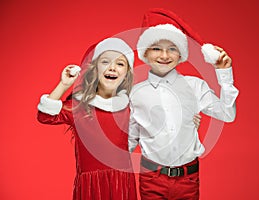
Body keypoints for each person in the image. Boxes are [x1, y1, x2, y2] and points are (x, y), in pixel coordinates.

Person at [128, 8, 239, 199]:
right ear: (145, 53)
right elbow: (128, 140)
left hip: (188, 179)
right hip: (151, 178)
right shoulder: (136, 93)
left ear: (181, 54)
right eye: (156, 48)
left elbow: (227, 114)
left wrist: (224, 75)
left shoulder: (195, 86)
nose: (164, 55)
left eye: (172, 48)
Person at [37, 37, 137, 200]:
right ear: (94, 69)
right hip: (91, 187)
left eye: (120, 64)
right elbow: (45, 116)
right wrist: (64, 84)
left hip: (123, 184)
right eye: (105, 62)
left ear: (126, 74)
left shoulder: (129, 106)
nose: (112, 67)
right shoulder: (79, 106)